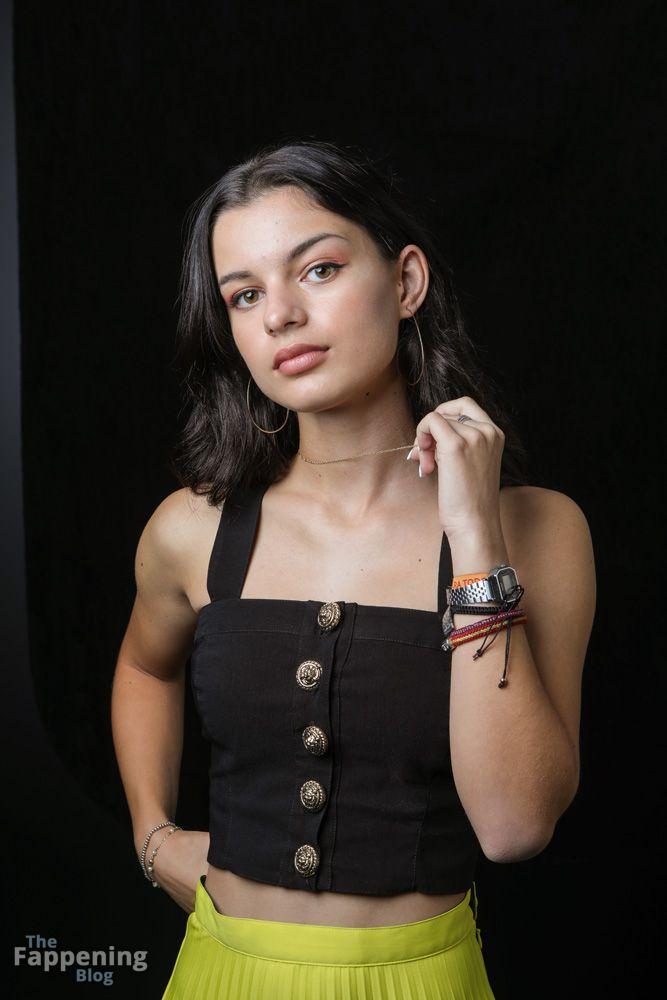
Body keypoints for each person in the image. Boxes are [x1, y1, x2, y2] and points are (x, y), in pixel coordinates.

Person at [111, 139, 596, 999]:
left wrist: (474, 533)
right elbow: (145, 667)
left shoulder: (539, 528)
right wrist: (154, 838)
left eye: (319, 270)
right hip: (221, 973)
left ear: (405, 282)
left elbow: (514, 826)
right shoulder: (192, 527)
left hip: (423, 980)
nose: (280, 315)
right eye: (244, 294)